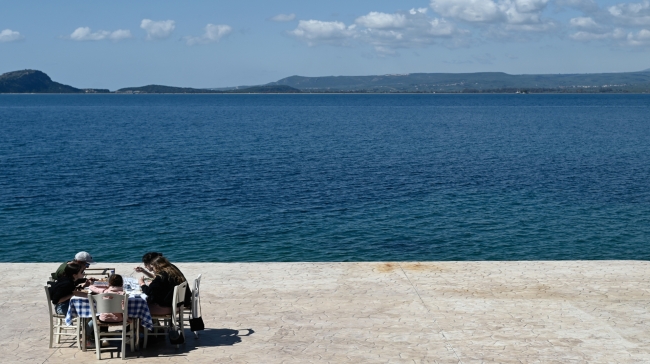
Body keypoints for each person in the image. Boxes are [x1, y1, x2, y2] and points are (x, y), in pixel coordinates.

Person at [87, 274, 125, 347]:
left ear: (109, 283)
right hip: (119, 319)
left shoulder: (104, 292)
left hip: (103, 319)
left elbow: (92, 288)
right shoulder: (123, 294)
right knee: (132, 319)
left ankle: (101, 337)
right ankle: (128, 337)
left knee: (96, 318)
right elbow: (124, 309)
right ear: (122, 283)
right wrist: (127, 319)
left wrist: (91, 283)